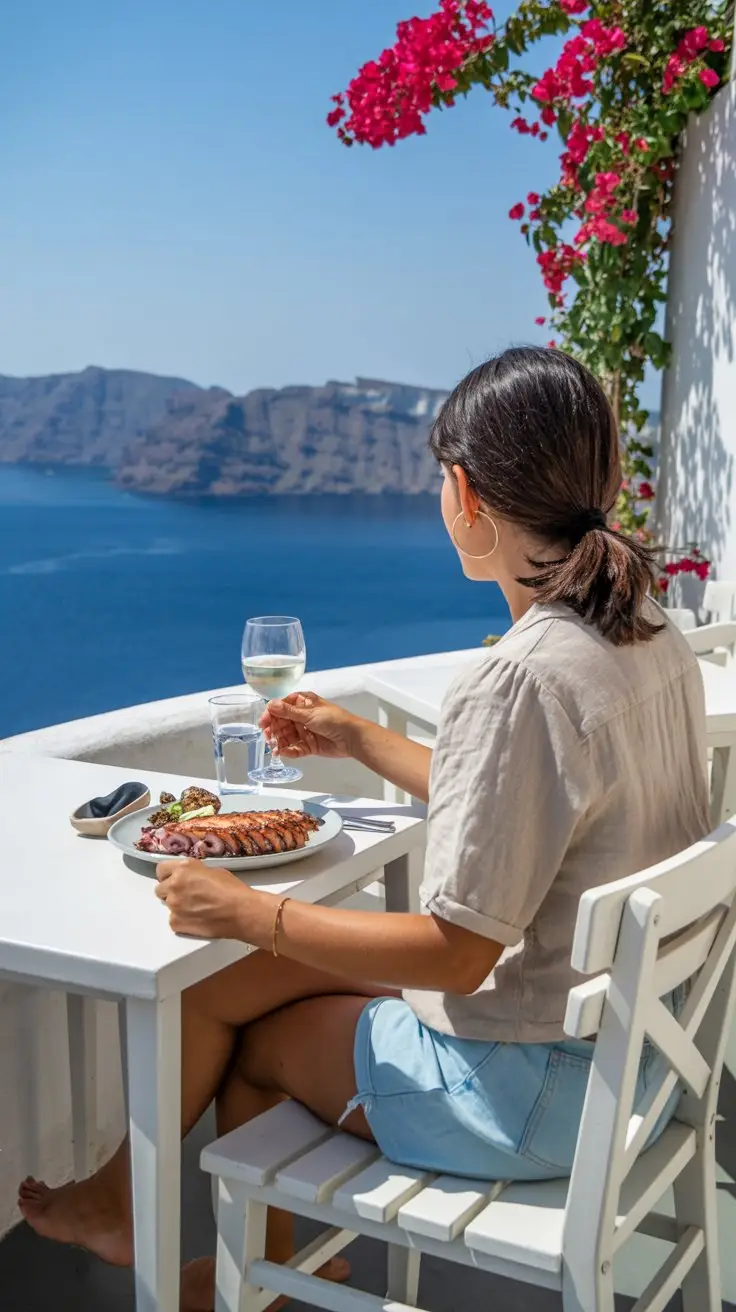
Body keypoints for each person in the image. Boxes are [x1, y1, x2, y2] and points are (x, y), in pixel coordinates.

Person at [19, 347, 709, 1310]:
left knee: (253, 1025)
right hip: (635, 1063)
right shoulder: (644, 627)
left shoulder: (523, 679)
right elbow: (524, 811)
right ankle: (137, 1214)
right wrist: (359, 739)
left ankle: (270, 1276)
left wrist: (248, 914)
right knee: (246, 982)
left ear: (465, 494)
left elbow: (459, 952)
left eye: (440, 478)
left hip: (536, 1093)